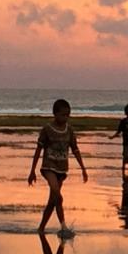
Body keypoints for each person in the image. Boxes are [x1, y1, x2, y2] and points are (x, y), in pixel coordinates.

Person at [29, 99, 88, 236]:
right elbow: (38, 150)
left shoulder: (70, 130)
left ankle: (41, 228)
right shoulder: (47, 129)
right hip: (49, 167)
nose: (65, 118)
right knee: (56, 192)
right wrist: (32, 171)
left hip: (62, 168)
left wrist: (83, 168)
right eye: (63, 115)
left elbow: (75, 149)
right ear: (55, 114)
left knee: (52, 200)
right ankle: (63, 226)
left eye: (68, 115)